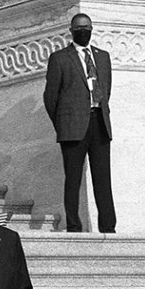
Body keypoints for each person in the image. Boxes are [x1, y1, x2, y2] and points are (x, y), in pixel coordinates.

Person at [42, 12, 116, 233]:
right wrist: (62, 123)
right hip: (72, 127)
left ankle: (108, 225)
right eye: (79, 27)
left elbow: (106, 89)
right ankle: (74, 224)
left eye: (87, 27)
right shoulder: (60, 58)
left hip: (99, 122)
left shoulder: (102, 57)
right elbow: (51, 97)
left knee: (103, 179)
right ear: (72, 30)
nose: (84, 31)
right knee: (73, 178)